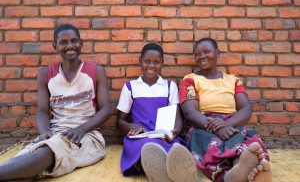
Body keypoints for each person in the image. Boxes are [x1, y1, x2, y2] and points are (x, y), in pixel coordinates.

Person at [0, 24, 111, 181]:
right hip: (55, 134)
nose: (70, 46)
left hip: (87, 136)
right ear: (55, 46)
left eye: (74, 41)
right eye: (63, 42)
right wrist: (44, 131)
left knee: (48, 151)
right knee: (27, 157)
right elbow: (42, 111)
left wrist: (81, 129)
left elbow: (106, 110)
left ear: (81, 44)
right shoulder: (46, 74)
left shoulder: (95, 70)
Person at [176, 38, 272, 182]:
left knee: (247, 139)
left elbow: (246, 108)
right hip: (202, 123)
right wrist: (216, 128)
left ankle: (243, 165)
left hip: (231, 122)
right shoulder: (190, 80)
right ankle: (233, 174)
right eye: (197, 54)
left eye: (206, 52)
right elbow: (189, 112)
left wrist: (228, 124)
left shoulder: (232, 80)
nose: (202, 56)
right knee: (210, 142)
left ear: (217, 53)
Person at [117, 43, 198, 182]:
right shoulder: (130, 87)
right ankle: (163, 169)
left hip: (163, 134)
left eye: (156, 62)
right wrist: (132, 127)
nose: (151, 66)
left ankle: (171, 170)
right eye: (147, 61)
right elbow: (119, 121)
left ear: (162, 64)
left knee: (174, 148)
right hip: (141, 136)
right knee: (146, 147)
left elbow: (178, 117)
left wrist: (175, 131)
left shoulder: (169, 86)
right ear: (140, 62)